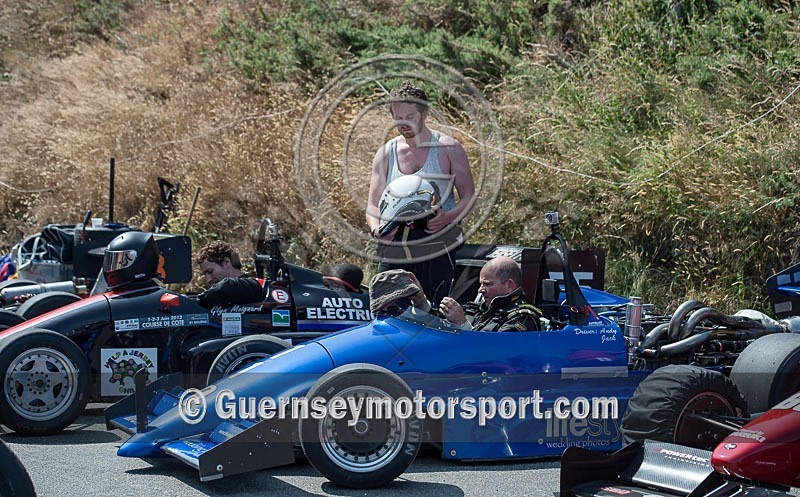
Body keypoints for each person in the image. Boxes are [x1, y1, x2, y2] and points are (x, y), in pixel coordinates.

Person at [366, 81, 476, 306]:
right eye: (398, 117)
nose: (403, 123)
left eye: (410, 116)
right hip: (394, 241)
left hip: (436, 241)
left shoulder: (448, 148)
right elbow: (373, 205)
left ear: (424, 113)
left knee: (435, 308)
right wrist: (377, 229)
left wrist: (448, 217)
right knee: (386, 307)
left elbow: (469, 196)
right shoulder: (387, 153)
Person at [438, 256, 541, 332]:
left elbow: (492, 353)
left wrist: (462, 324)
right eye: (481, 284)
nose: (480, 290)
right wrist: (423, 304)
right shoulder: (479, 309)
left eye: (487, 284)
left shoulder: (523, 318)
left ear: (509, 285)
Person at [194, 241, 264, 308]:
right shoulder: (218, 297)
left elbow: (227, 286)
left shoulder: (251, 287)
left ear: (226, 262)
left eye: (210, 271)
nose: (208, 279)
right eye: (205, 274)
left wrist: (198, 300)